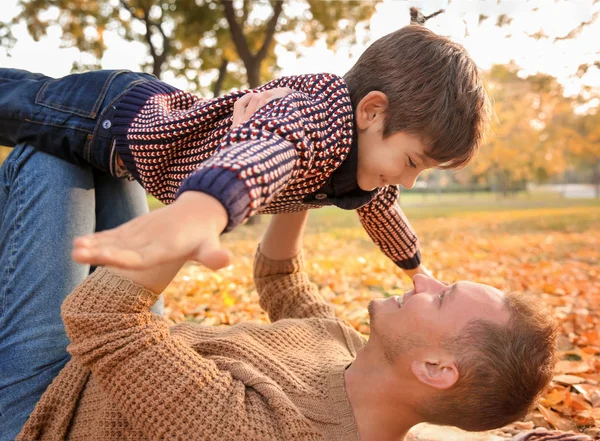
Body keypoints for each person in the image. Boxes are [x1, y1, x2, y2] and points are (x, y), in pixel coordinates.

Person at [0, 148, 558, 441]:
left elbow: (102, 319)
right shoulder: (351, 351)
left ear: (435, 368)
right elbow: (281, 281)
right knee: (111, 159)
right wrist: (304, 163)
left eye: (439, 297)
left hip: (50, 402)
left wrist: (214, 190)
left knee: (51, 159)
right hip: (123, 358)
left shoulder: (272, 434)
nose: (420, 278)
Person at [0, 24, 492, 279]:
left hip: (128, 158)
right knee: (15, 103)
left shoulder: (362, 164)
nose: (407, 182)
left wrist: (417, 272)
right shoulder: (313, 118)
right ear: (372, 112)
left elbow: (383, 210)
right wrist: (205, 210)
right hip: (111, 117)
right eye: (411, 163)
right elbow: (263, 154)